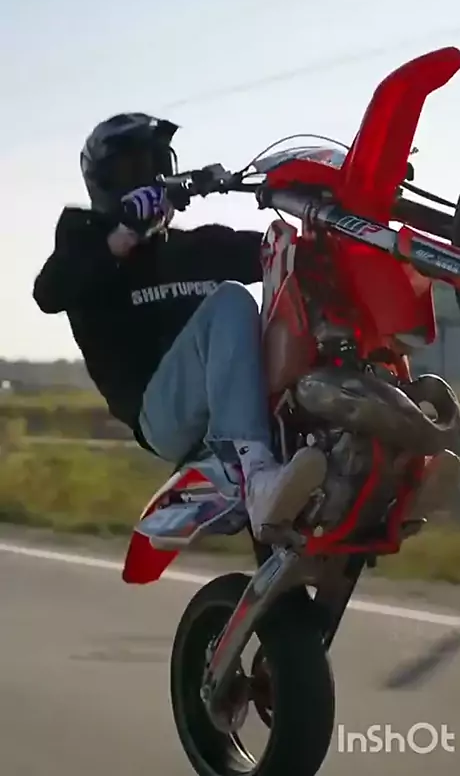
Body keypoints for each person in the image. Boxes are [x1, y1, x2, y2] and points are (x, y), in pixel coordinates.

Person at [33, 112, 325, 540]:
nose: (150, 179)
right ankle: (254, 472)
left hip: (225, 403)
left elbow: (281, 253)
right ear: (104, 181)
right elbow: (49, 294)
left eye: (157, 166)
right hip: (161, 417)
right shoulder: (87, 247)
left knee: (291, 273)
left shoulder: (196, 246)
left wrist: (323, 218)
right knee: (231, 301)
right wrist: (124, 234)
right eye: (133, 169)